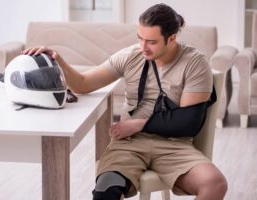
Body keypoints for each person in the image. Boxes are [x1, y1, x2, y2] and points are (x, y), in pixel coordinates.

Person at [22, 3, 228, 200]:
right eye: (140, 38)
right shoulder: (131, 56)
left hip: (173, 145)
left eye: (152, 42)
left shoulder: (194, 63)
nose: (143, 47)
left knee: (215, 184)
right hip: (129, 144)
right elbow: (83, 84)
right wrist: (58, 61)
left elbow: (188, 123)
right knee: (105, 190)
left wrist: (138, 124)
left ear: (172, 38)